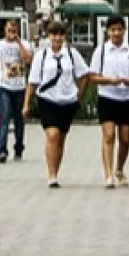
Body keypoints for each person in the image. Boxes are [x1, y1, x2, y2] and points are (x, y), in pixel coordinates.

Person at [25, 22, 87, 188]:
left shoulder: (71, 54)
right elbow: (33, 81)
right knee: (52, 135)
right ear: (49, 36)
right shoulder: (41, 55)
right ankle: (51, 174)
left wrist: (78, 96)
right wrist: (26, 104)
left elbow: (84, 75)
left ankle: (56, 169)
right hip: (47, 99)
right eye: (54, 34)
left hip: (67, 100)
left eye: (60, 34)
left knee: (60, 138)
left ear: (64, 36)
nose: (57, 38)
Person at [88, 15, 129, 188]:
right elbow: (92, 76)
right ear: (108, 32)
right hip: (108, 96)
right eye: (113, 30)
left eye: (119, 29)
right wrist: (108, 80)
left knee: (125, 138)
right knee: (109, 135)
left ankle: (119, 168)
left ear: (124, 30)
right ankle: (108, 174)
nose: (116, 33)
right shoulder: (101, 51)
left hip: (127, 97)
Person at [0, 19, 30, 164]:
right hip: (4, 85)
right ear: (4, 30)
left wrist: (18, 42)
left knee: (19, 120)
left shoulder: (24, 44)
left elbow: (28, 59)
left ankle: (19, 147)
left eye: (14, 30)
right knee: (4, 118)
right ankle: (2, 150)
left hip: (19, 86)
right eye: (9, 30)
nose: (12, 33)